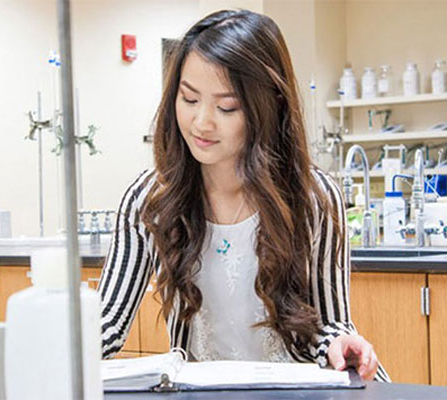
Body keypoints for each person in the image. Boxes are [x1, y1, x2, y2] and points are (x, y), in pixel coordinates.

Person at [99, 9, 389, 382]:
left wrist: (340, 343)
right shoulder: (150, 199)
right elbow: (106, 322)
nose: (202, 122)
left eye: (226, 107)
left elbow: (330, 324)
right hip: (202, 391)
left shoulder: (313, 197)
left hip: (299, 391)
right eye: (189, 100)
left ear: (266, 108)